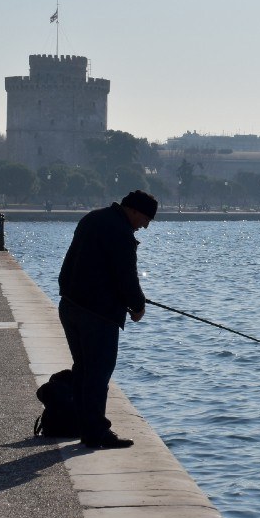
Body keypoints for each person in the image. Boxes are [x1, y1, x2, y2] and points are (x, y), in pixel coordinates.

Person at [57, 190, 157, 449]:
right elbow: (126, 276)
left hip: (70, 306)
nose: (145, 226)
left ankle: (85, 425)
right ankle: (96, 433)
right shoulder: (121, 233)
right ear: (133, 210)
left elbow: (76, 264)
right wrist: (137, 306)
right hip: (97, 315)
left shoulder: (92, 219)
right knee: (98, 374)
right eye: (145, 219)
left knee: (82, 369)